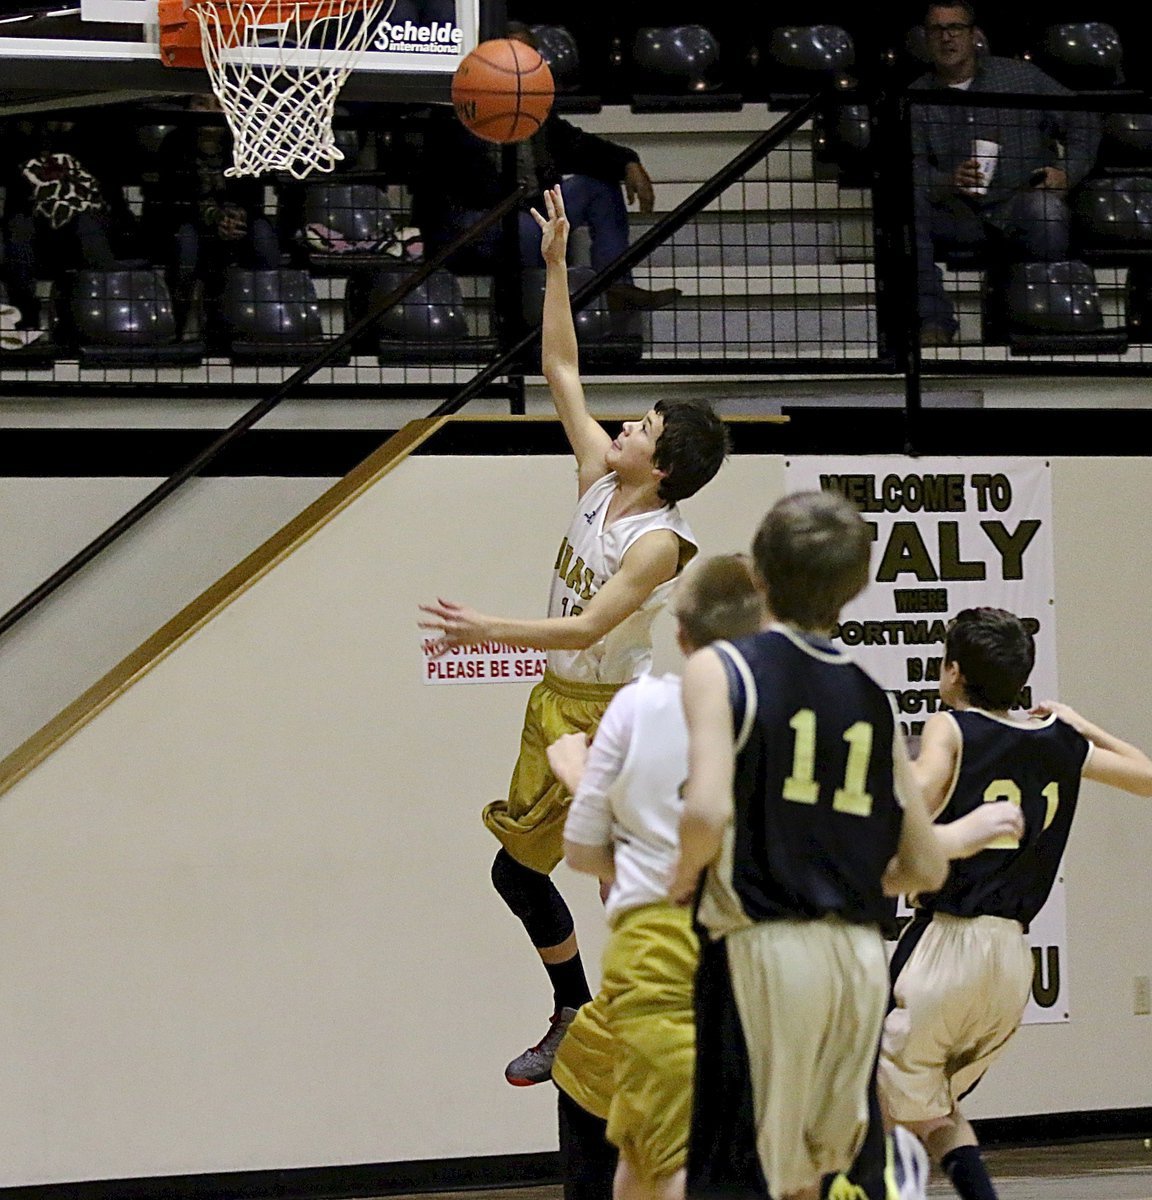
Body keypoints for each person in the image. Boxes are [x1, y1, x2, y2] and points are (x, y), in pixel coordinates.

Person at [419, 184, 729, 1087]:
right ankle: (571, 1005)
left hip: (614, 713)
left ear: (662, 466)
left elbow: (594, 623)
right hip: (554, 705)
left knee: (619, 874)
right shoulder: (599, 475)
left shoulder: (660, 541)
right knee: (516, 876)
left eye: (644, 428)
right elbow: (561, 370)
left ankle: (680, 1008)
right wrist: (556, 267)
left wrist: (487, 629)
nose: (625, 425)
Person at [670, 489, 949, 1200]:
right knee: (820, 1181)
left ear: (758, 573)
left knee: (740, 1178)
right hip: (858, 960)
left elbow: (703, 809)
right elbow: (925, 865)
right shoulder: (870, 695)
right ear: (855, 589)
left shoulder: (722, 668)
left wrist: (682, 874)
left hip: (763, 951)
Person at [878, 606, 1152, 1200]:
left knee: (869, 1104)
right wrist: (1083, 724)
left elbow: (911, 810)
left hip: (943, 944)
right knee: (936, 1105)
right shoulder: (1059, 741)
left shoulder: (951, 728)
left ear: (952, 671)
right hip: (1009, 964)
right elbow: (1149, 777)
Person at [549, 554, 766, 1200]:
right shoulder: (816, 718)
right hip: (784, 983)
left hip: (671, 980)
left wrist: (579, 778)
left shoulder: (645, 709)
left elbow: (592, 861)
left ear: (679, 634)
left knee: (661, 1166)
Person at [410, 25, 678, 311]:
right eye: (515, 58)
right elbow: (454, 188)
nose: (523, 67)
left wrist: (627, 161)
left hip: (528, 210)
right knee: (524, 228)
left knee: (597, 188)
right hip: (470, 223)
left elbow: (577, 144)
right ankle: (536, 315)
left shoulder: (534, 108)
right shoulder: (456, 110)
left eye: (529, 59)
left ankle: (614, 286)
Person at [909, 1, 1100, 346]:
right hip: (959, 215)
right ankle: (934, 321)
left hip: (1020, 203)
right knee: (906, 207)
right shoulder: (916, 97)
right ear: (925, 38)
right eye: (937, 30)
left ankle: (1037, 320)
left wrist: (1067, 172)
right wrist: (947, 179)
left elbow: (1083, 120)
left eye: (955, 28)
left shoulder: (1019, 78)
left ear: (973, 35)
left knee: (1046, 212)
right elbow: (912, 168)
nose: (947, 37)